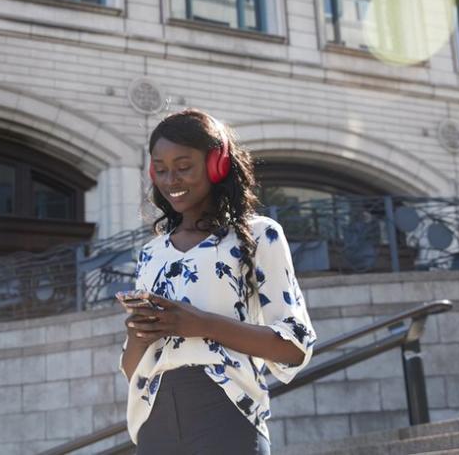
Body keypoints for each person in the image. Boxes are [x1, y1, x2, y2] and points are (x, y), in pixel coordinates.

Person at [117, 109, 317, 455]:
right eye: (160, 170)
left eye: (183, 167)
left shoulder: (259, 235)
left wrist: (201, 324)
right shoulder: (151, 253)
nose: (170, 180)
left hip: (226, 412)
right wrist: (138, 332)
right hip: (155, 419)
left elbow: (294, 346)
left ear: (217, 165)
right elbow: (131, 367)